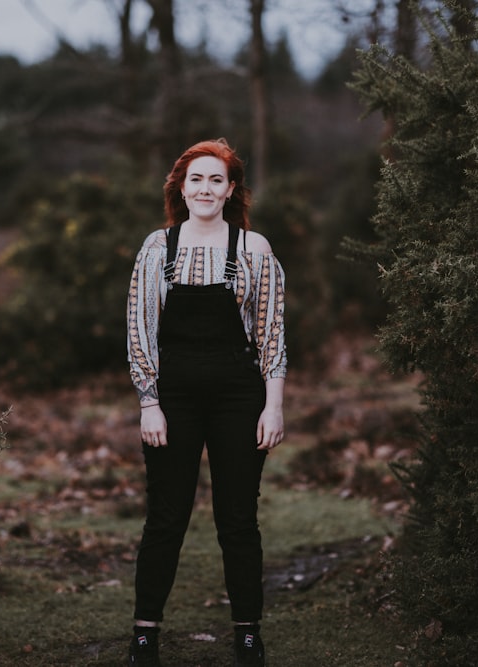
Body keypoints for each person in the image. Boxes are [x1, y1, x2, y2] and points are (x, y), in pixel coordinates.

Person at [125, 138, 287, 667]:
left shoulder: (254, 249)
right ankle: (145, 635)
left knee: (238, 519)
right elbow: (139, 331)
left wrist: (274, 405)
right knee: (165, 518)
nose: (206, 188)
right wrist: (149, 402)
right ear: (181, 187)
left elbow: (271, 335)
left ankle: (247, 635)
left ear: (231, 189)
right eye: (197, 179)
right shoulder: (158, 248)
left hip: (240, 396)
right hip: (173, 399)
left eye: (217, 180)